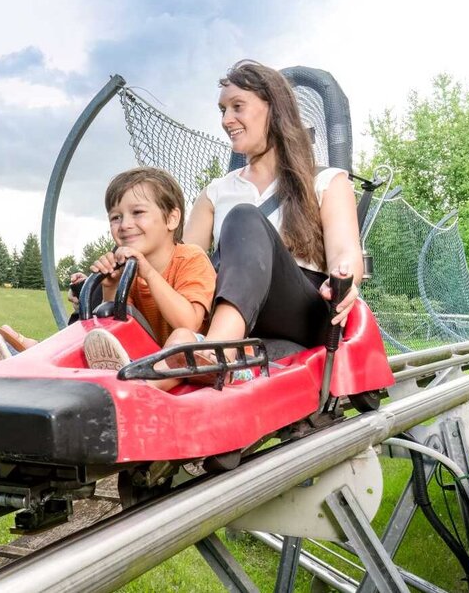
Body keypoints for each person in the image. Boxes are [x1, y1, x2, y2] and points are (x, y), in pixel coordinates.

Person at [150, 59, 364, 390]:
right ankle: (138, 391)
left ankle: (213, 349)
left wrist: (344, 278)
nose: (226, 120)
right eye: (222, 110)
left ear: (273, 109)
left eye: (237, 107)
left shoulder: (326, 181)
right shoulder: (216, 192)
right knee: (178, 329)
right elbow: (186, 267)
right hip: (241, 320)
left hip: (301, 312)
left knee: (244, 217)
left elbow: (344, 251)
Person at [0, 167, 216, 367]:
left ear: (172, 219)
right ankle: (28, 359)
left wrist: (149, 273)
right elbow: (117, 330)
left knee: (182, 339)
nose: (124, 225)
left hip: (191, 359)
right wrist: (110, 287)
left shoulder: (190, 258)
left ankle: (37, 359)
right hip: (143, 355)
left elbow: (188, 322)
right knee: (94, 330)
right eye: (116, 217)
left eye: (138, 212)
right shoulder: (127, 268)